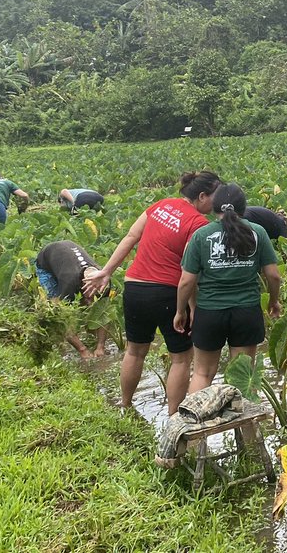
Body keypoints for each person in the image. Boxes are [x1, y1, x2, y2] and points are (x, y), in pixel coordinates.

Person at [85, 171, 222, 415]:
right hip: (168, 293)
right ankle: (173, 417)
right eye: (215, 196)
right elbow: (188, 272)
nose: (217, 202)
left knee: (134, 351)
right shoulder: (199, 224)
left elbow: (131, 237)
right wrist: (192, 306)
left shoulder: (160, 206)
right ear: (202, 196)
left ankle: (125, 405)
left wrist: (106, 271)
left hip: (135, 287)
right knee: (180, 358)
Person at [174, 183, 281, 394]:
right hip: (246, 312)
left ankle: (197, 424)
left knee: (203, 373)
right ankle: (246, 428)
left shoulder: (201, 235)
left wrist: (180, 312)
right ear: (243, 208)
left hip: (210, 312)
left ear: (215, 207)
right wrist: (273, 301)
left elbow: (186, 281)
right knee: (243, 375)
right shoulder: (258, 232)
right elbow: (274, 275)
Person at [35, 240, 110, 360]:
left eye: (95, 296)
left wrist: (101, 346)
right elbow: (62, 320)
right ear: (82, 286)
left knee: (89, 307)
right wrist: (83, 350)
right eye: (89, 295)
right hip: (46, 261)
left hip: (68, 258)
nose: (91, 301)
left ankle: (90, 337)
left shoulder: (104, 282)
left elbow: (104, 315)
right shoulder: (69, 284)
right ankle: (64, 344)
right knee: (56, 310)